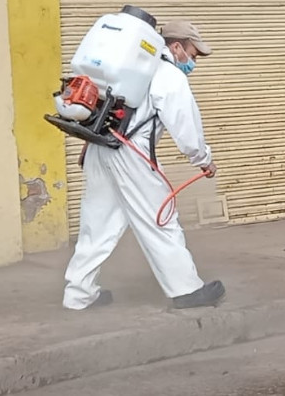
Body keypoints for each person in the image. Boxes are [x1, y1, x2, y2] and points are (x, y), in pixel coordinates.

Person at [62, 20, 225, 310]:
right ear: (176, 46)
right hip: (132, 153)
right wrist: (204, 159)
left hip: (101, 146)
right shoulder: (167, 74)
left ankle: (79, 294)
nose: (193, 61)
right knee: (160, 220)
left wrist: (89, 145)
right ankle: (186, 289)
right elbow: (186, 128)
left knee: (96, 225)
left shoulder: (130, 66)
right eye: (193, 53)